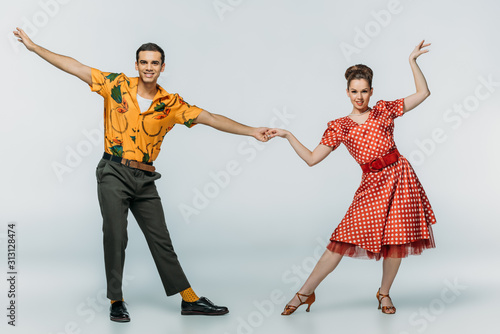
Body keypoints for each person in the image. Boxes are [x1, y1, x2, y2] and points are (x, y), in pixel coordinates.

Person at [13, 27, 270, 322]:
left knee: (161, 238)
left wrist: (252, 131)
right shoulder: (116, 85)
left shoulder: (171, 105)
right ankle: (116, 299)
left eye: (155, 63)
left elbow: (210, 118)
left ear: (162, 67)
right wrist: (35, 48)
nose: (149, 67)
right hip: (113, 171)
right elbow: (75, 66)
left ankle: (189, 300)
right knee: (115, 235)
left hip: (145, 178)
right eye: (144, 62)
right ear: (136, 65)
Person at [267, 40, 436, 315]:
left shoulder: (383, 110)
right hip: (371, 185)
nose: (359, 97)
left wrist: (412, 62)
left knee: (395, 241)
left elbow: (423, 92)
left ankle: (384, 294)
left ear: (371, 91)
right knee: (340, 240)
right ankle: (303, 293)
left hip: (399, 178)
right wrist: (287, 135)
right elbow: (311, 159)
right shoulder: (340, 126)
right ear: (347, 92)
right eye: (354, 91)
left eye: (364, 91)